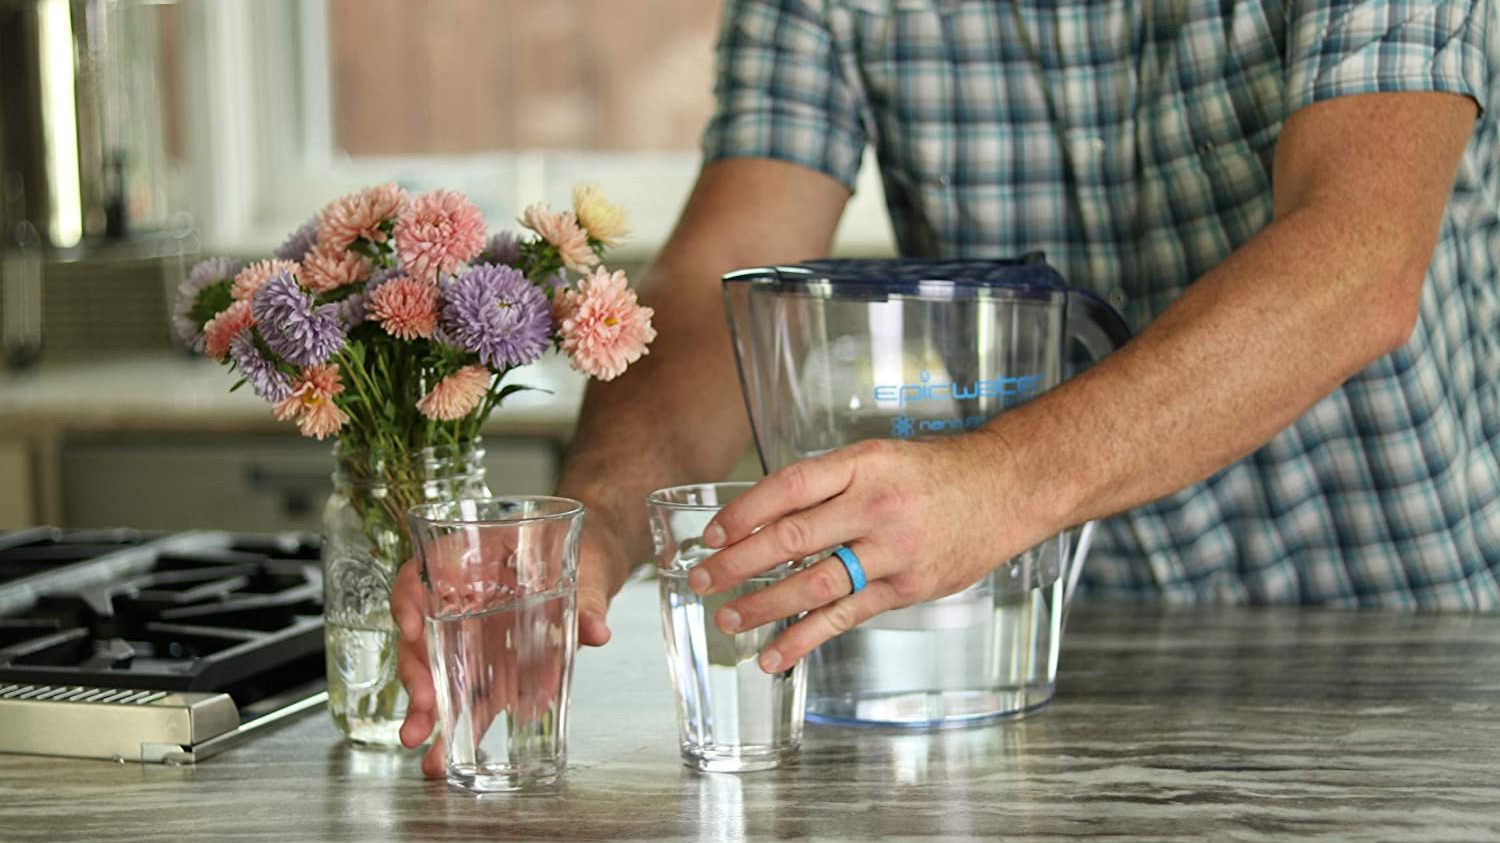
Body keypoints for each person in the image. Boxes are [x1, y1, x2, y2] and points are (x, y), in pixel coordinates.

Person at [394, 0, 1499, 773]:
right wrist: (594, 529)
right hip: (1033, 668)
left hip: (1409, 638)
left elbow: (1357, 260)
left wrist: (999, 483)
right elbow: (713, 283)